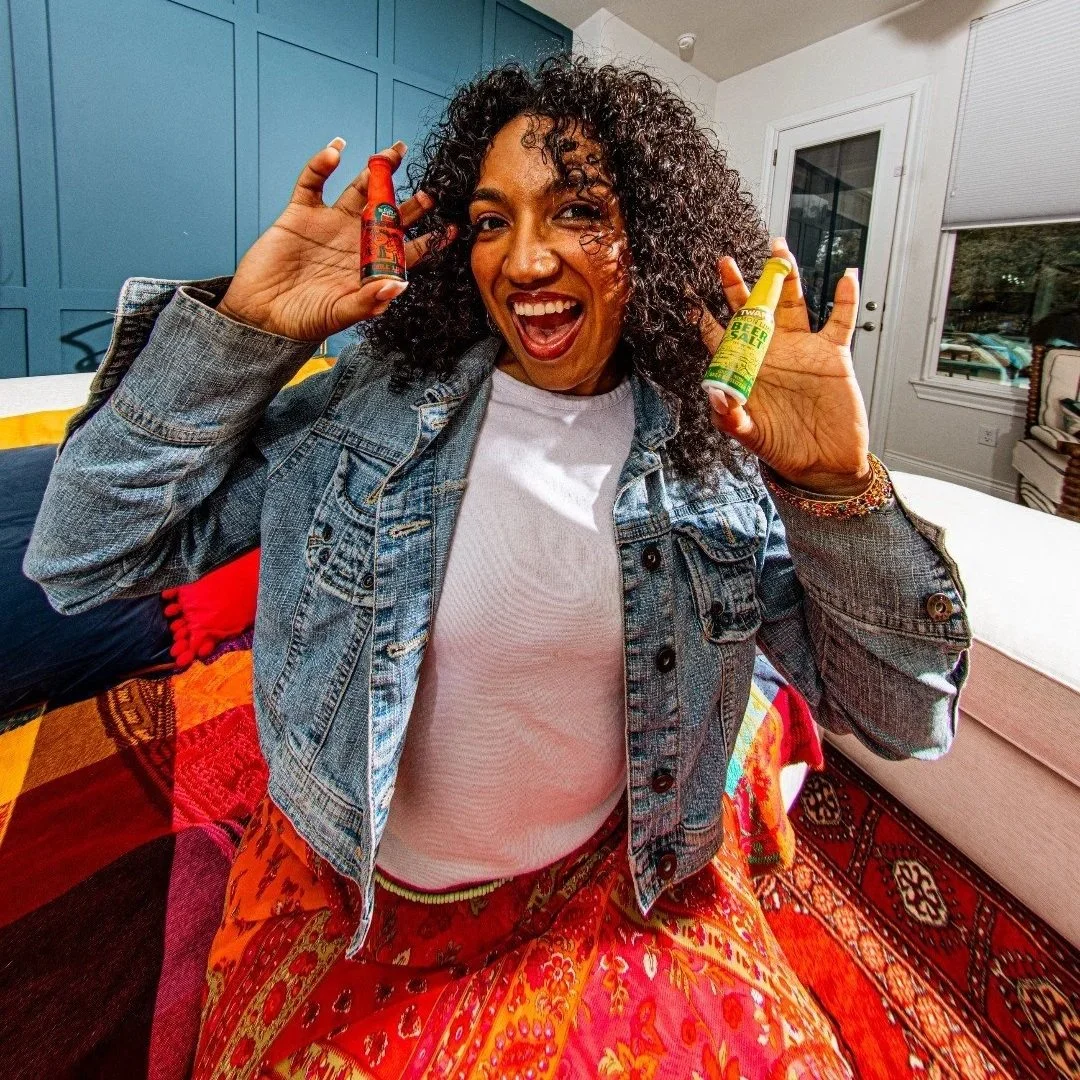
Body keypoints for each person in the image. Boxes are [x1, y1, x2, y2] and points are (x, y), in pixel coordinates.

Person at [25, 56, 970, 1080]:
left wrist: (837, 487)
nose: (523, 263)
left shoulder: (710, 457)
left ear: (649, 238)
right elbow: (83, 555)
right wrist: (244, 333)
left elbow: (902, 721)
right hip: (361, 885)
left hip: (612, 882)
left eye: (577, 213)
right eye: (489, 221)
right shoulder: (377, 401)